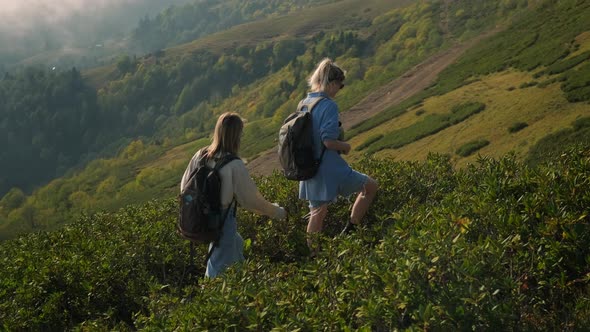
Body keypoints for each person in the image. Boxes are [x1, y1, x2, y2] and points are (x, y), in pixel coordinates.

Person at [181, 112, 287, 278]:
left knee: (235, 245)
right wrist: (277, 211)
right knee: (219, 266)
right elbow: (251, 200)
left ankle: (244, 284)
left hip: (199, 215)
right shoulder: (233, 164)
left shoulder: (200, 155)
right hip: (222, 218)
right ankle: (214, 298)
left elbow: (184, 186)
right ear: (237, 135)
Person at [298, 58, 379, 252]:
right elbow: (328, 141)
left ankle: (314, 256)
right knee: (370, 186)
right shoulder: (329, 106)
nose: (339, 90)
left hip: (309, 167)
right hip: (329, 167)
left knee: (317, 213)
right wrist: (345, 146)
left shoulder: (304, 103)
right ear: (333, 83)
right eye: (340, 86)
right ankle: (351, 229)